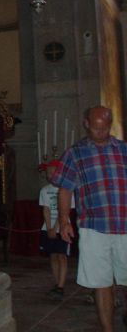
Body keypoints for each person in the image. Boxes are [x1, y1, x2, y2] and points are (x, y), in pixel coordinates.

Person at [52, 106, 127, 331]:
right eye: (96, 128)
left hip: (125, 225)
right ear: (86, 124)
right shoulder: (75, 153)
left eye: (105, 128)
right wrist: (64, 220)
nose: (101, 132)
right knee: (101, 281)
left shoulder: (124, 150)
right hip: (93, 227)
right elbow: (65, 189)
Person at [38, 163, 75, 300]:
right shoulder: (44, 190)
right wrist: (49, 228)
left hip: (62, 228)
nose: (49, 175)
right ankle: (57, 282)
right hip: (48, 228)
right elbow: (46, 209)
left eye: (52, 172)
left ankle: (61, 286)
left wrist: (55, 228)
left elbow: (64, 211)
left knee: (62, 256)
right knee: (53, 255)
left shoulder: (67, 190)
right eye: (47, 173)